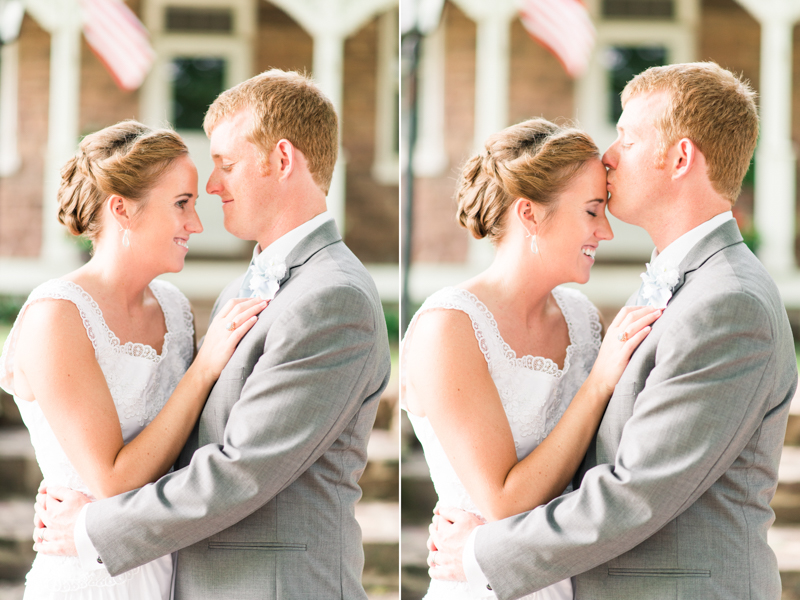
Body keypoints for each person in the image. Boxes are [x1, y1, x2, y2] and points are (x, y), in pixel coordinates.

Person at [428, 62, 797, 600]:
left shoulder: (728, 303)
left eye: (627, 136)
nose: (609, 156)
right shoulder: (678, 285)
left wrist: (486, 549)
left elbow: (638, 492)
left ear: (679, 158)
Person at [32, 69, 391, 600]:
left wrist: (94, 524)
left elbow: (243, 470)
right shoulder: (239, 292)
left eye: (226, 165)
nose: (215, 187)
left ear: (283, 160)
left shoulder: (333, 298)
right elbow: (188, 439)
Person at [0, 121, 266, 598]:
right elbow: (113, 480)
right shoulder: (57, 315)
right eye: (182, 204)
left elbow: (187, 448)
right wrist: (205, 367)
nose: (197, 225)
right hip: (86, 577)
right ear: (122, 209)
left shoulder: (175, 309)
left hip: (169, 571)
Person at [401, 118, 661, 600]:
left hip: (573, 580)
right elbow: (503, 502)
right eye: (591, 211)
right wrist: (599, 383)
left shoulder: (582, 321)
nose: (605, 231)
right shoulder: (450, 327)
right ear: (530, 215)